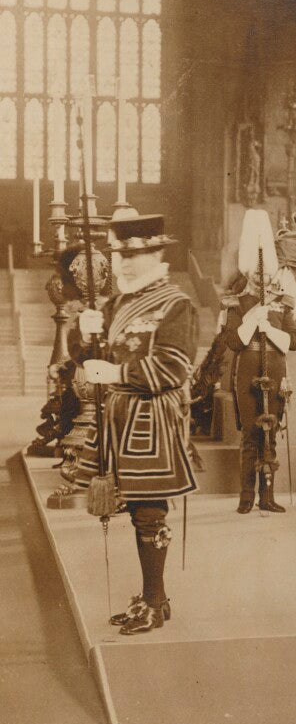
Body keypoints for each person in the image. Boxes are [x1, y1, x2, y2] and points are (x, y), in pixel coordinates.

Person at [71, 214, 199, 635]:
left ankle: (155, 600)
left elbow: (173, 368)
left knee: (149, 515)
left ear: (157, 255)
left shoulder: (176, 304)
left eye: (136, 255)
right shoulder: (116, 304)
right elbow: (86, 362)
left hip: (150, 420)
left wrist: (113, 374)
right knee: (134, 513)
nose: (125, 263)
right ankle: (152, 599)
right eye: (121, 255)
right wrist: (81, 333)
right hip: (117, 420)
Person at [220, 209, 296, 514]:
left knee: (272, 430)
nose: (261, 277)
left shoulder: (284, 302)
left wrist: (273, 330)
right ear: (248, 272)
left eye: (265, 271)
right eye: (256, 272)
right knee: (250, 435)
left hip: (277, 370)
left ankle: (267, 496)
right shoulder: (236, 302)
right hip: (247, 369)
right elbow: (232, 342)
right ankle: (246, 497)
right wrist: (253, 318)